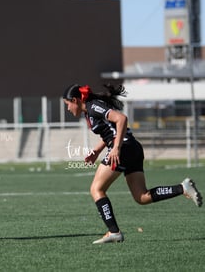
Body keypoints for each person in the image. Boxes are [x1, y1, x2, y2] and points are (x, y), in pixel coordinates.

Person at [62, 83, 202, 244]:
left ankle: (114, 232)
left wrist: (116, 148)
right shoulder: (90, 111)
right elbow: (109, 132)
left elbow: (121, 119)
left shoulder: (92, 107)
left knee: (96, 189)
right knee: (142, 197)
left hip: (124, 148)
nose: (68, 109)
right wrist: (96, 151)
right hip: (133, 148)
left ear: (74, 100)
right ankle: (182, 188)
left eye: (67, 105)